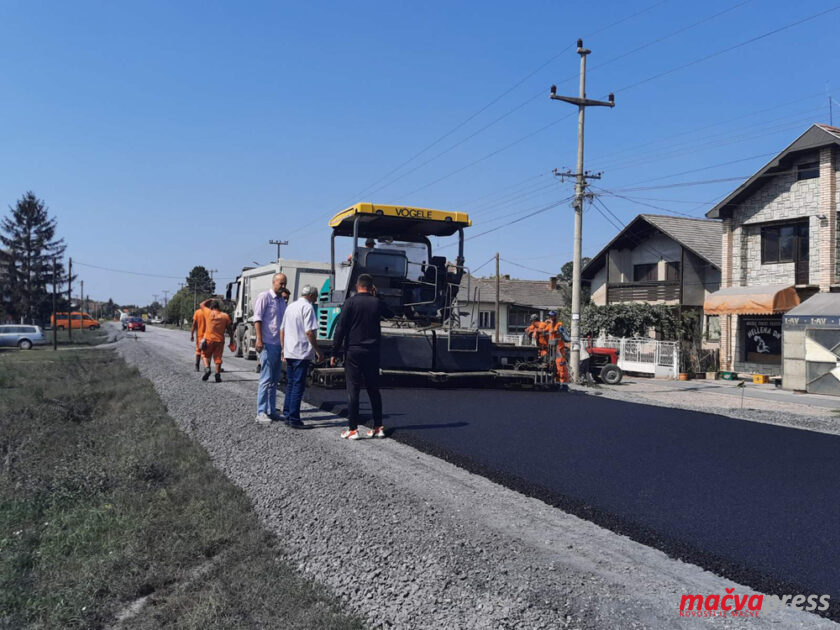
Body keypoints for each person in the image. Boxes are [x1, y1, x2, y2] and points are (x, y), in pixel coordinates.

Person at [330, 273, 394, 440]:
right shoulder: (376, 303)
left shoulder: (350, 302)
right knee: (374, 390)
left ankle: (353, 429)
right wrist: (377, 296)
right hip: (372, 351)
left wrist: (334, 352)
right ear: (371, 287)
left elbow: (341, 328)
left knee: (353, 390)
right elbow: (391, 314)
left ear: (357, 286)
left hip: (354, 350)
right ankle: (378, 427)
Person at [279, 285, 323, 428]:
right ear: (310, 295)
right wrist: (318, 351)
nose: (316, 299)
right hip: (301, 352)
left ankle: (287, 414)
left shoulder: (290, 307)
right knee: (298, 386)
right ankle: (294, 419)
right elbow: (309, 332)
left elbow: (282, 329)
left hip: (290, 350)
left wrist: (283, 348)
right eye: (315, 297)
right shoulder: (308, 308)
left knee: (290, 384)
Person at [253, 273, 288, 424]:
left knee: (275, 380)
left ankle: (271, 410)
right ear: (274, 282)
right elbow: (258, 319)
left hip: (278, 344)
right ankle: (261, 411)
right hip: (267, 343)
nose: (283, 286)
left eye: (284, 283)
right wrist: (259, 340)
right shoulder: (265, 297)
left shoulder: (282, 301)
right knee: (266, 379)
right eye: (281, 283)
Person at [199, 299, 234, 382]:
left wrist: (211, 299)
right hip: (220, 341)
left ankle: (207, 368)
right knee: (218, 358)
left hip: (209, 340)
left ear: (212, 306)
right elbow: (229, 329)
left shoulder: (208, 313)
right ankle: (217, 374)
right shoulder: (225, 316)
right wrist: (232, 339)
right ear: (219, 307)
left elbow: (201, 304)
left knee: (205, 355)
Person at [189, 305, 207, 371]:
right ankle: (207, 367)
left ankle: (197, 366)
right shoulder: (210, 313)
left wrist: (192, 334)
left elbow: (194, 324)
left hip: (200, 336)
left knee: (198, 351)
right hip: (208, 336)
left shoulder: (197, 312)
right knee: (207, 353)